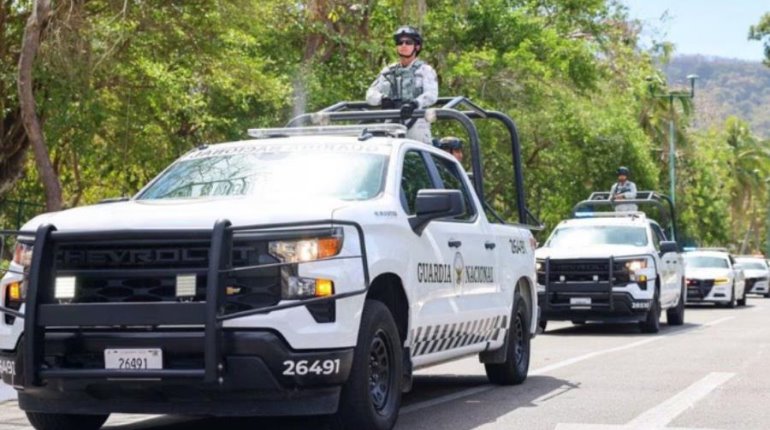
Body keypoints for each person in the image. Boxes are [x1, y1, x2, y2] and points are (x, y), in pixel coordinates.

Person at [366, 26, 438, 144]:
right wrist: (382, 99)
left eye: (408, 42)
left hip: (416, 122)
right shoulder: (388, 71)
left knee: (417, 158)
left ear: (417, 47)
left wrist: (415, 104)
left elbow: (432, 95)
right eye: (400, 42)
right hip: (391, 123)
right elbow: (370, 94)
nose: (403, 45)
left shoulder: (425, 70)